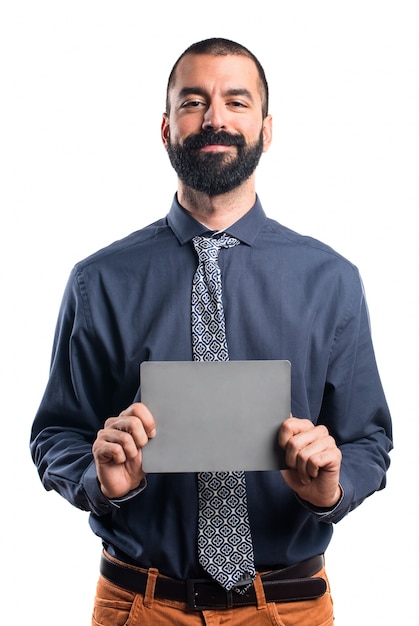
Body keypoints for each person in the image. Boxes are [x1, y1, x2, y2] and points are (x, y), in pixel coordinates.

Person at [30, 37, 393, 626]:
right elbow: (55, 434)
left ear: (267, 129)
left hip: (289, 608)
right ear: (167, 127)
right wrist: (104, 483)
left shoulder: (332, 281)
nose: (216, 117)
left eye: (237, 102)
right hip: (140, 606)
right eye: (194, 101)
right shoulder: (99, 281)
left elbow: (368, 442)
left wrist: (330, 487)